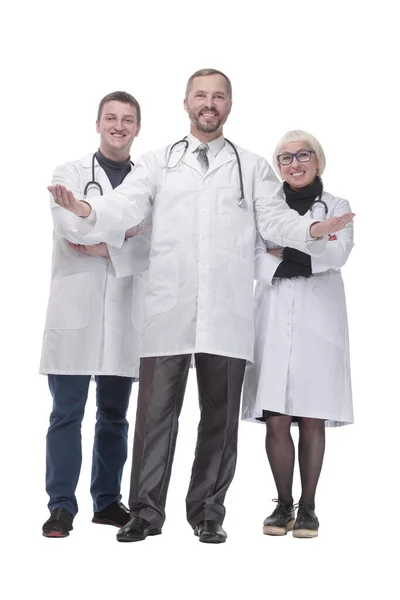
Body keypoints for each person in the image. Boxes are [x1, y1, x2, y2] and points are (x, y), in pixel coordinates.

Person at [48, 69, 354, 544]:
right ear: (186, 103)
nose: (209, 103)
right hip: (168, 309)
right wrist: (89, 211)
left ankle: (208, 511)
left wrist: (310, 232)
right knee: (153, 417)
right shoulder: (157, 163)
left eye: (218, 96)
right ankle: (146, 513)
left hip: (228, 314)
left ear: (229, 105)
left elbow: (275, 220)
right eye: (201, 96)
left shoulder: (252, 167)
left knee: (219, 418)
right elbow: (125, 206)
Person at [40, 91, 151, 538]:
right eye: (111, 118)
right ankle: (61, 507)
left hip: (124, 313)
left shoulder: (148, 180)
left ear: (138, 128)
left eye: (127, 120)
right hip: (76, 312)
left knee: (115, 416)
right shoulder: (67, 174)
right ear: (99, 122)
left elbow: (151, 245)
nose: (119, 126)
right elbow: (69, 228)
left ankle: (107, 502)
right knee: (65, 413)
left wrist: (105, 244)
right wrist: (123, 234)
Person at [241, 130, 354, 538]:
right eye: (285, 158)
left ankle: (308, 508)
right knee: (276, 416)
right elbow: (251, 256)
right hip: (272, 319)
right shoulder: (264, 208)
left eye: (302, 155)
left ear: (317, 160)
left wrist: (284, 255)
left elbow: (339, 253)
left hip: (317, 324)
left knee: (310, 415)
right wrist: (312, 247)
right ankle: (282, 504)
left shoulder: (337, 206)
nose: (294, 163)